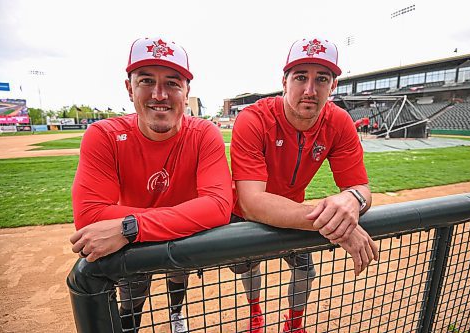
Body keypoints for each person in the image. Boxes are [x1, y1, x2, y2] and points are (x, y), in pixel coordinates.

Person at [69, 37, 233, 333]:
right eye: (146, 81)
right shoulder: (104, 135)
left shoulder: (204, 133)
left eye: (172, 83)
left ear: (186, 91)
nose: (160, 94)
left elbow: (220, 206)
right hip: (156, 237)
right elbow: (89, 216)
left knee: (177, 278)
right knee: (132, 294)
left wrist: (128, 226)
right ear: (129, 88)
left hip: (150, 236)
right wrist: (181, 217)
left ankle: (175, 314)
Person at [230, 37, 379, 333]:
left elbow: (361, 187)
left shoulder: (339, 122)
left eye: (321, 79)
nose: (310, 90)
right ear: (284, 82)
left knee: (304, 271)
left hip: (295, 212)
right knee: (249, 266)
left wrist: (353, 200)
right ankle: (255, 313)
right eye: (301, 77)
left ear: (333, 86)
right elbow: (252, 202)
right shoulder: (253, 119)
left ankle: (294, 325)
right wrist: (336, 225)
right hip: (246, 215)